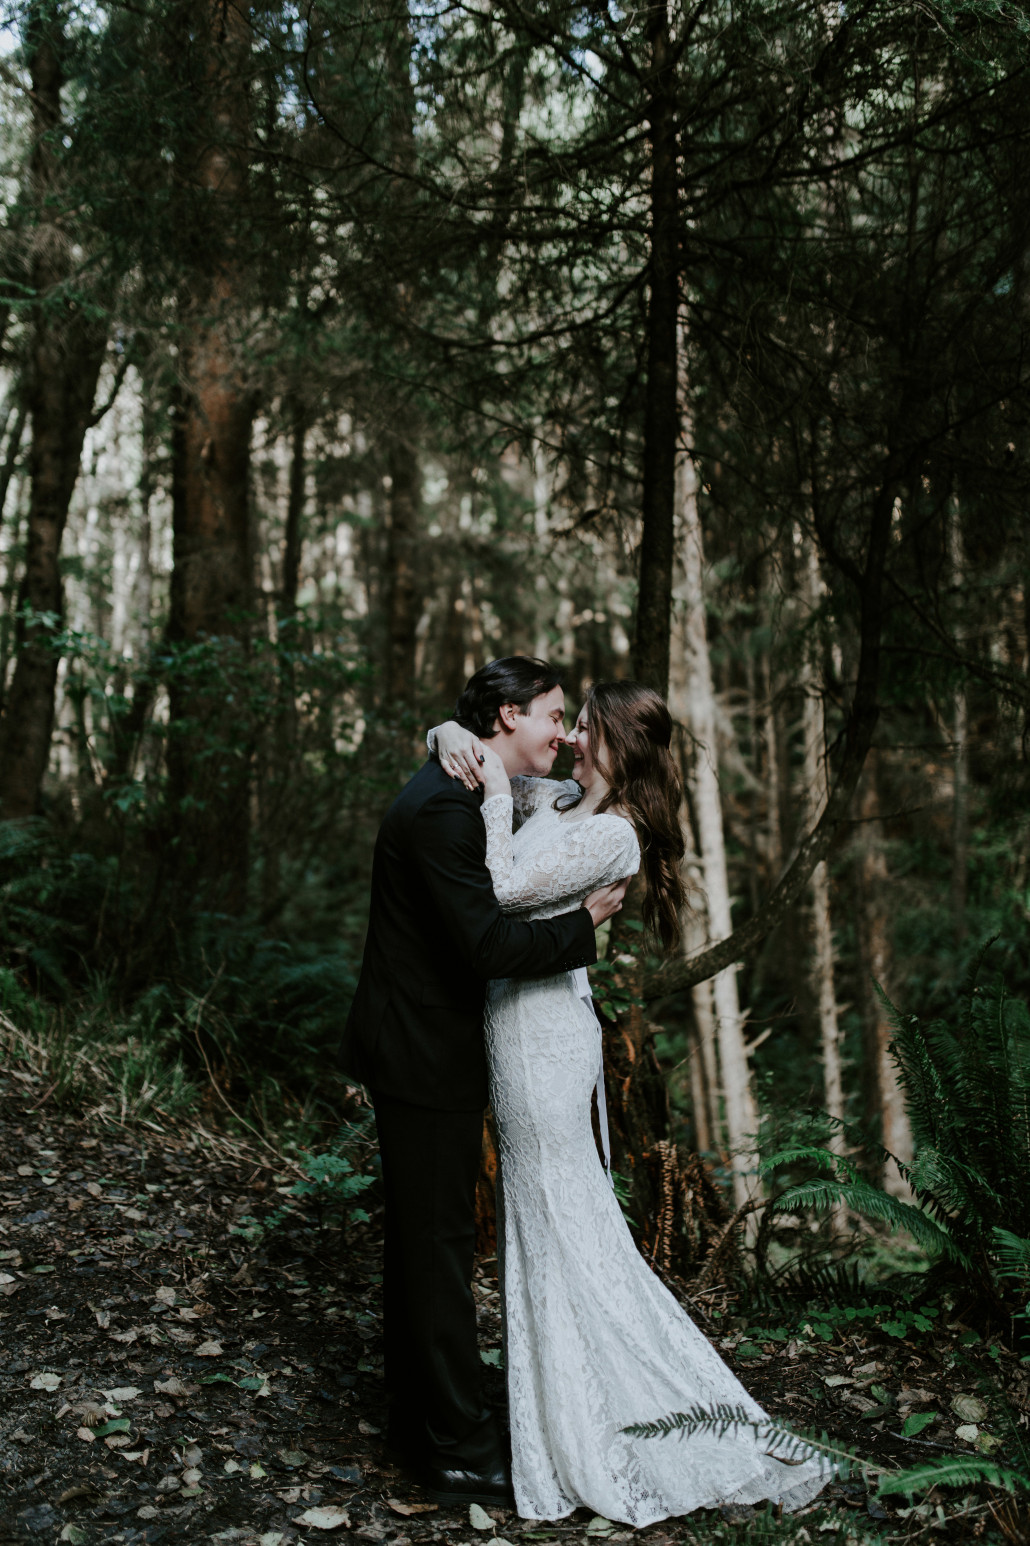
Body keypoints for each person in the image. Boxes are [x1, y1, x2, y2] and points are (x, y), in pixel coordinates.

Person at [429, 680, 830, 1525]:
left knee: (560, 1216)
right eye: (568, 723)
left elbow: (499, 888)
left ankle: (630, 1413)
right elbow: (493, 763)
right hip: (515, 1021)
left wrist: (497, 796)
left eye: (585, 726)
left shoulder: (614, 836)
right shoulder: (571, 801)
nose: (570, 735)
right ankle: (568, 1409)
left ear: (616, 740)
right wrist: (445, 733)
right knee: (547, 1220)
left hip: (543, 1036)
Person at [340, 658, 631, 1508]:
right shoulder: (442, 808)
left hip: (427, 1050)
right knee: (436, 1252)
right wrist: (584, 925)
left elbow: (564, 805)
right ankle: (456, 1449)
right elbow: (488, 947)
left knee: (425, 1247)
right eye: (550, 713)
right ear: (506, 716)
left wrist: (448, 730)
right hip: (422, 1056)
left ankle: (423, 1422)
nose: (564, 730)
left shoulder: (465, 781)